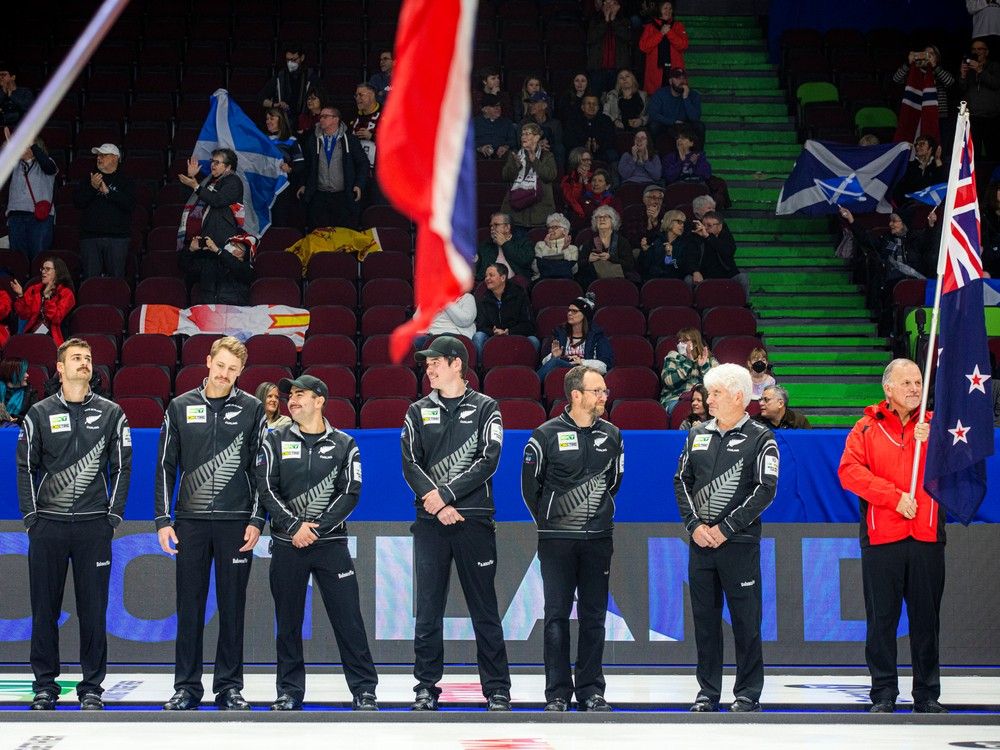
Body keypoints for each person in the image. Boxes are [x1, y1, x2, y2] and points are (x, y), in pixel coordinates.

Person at [16, 338, 131, 711]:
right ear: (60, 367)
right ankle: (45, 686)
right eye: (76, 358)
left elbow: (122, 467)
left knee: (93, 610)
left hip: (93, 527)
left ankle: (92, 687)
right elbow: (25, 468)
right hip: (47, 526)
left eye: (88, 358)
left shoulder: (113, 413)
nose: (84, 363)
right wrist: (32, 517)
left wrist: (112, 516)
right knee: (44, 609)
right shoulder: (38, 413)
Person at [400, 336, 512, 711]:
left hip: (474, 519)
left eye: (434, 362)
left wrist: (445, 495)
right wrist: (438, 504)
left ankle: (497, 688)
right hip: (431, 522)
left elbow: (489, 458)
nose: (428, 369)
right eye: (426, 364)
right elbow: (410, 464)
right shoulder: (416, 410)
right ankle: (426, 687)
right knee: (428, 607)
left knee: (484, 607)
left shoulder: (487, 408)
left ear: (456, 364)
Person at [154, 336, 267, 711]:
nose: (225, 374)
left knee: (233, 607)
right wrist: (162, 519)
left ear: (241, 372)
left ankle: (229, 686)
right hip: (190, 523)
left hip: (236, 523)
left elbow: (261, 470)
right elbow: (166, 467)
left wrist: (256, 518)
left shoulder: (252, 409)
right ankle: (186, 686)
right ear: (207, 362)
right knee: (189, 606)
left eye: (233, 369)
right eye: (220, 366)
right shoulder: (179, 406)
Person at [257, 375, 379, 711]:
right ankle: (289, 692)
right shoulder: (274, 439)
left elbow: (350, 492)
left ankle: (364, 690)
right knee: (288, 623)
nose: (292, 401)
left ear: (320, 399)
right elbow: (266, 489)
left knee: (349, 620)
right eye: (290, 396)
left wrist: (317, 529)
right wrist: (295, 526)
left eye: (300, 395)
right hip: (287, 543)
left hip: (331, 545)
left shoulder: (344, 443)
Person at [838, 358, 947, 714]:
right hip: (882, 537)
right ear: (888, 388)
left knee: (926, 621)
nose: (915, 389)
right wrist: (894, 498)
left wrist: (933, 444)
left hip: (927, 535)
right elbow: (849, 473)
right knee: (881, 620)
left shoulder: (935, 426)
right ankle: (883, 693)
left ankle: (927, 695)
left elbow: (958, 466)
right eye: (907, 383)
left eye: (918, 382)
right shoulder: (866, 428)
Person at [674, 363, 779, 713]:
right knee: (704, 622)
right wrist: (694, 526)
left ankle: (748, 692)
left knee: (746, 621)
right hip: (701, 544)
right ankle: (708, 692)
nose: (707, 399)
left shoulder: (761, 437)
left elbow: (765, 490)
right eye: (708, 392)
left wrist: (725, 529)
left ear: (738, 396)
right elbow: (681, 481)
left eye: (716, 393)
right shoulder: (696, 433)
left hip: (739, 545)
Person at [521, 364, 624, 712]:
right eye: (598, 391)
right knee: (556, 616)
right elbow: (529, 489)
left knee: (595, 616)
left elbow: (614, 483)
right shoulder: (544, 435)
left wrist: (591, 515)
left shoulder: (612, 434)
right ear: (576, 395)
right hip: (557, 541)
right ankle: (558, 693)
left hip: (598, 538)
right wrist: (553, 522)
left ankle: (592, 689)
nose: (604, 396)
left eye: (605, 391)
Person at [298, 107, 369, 231]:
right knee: (320, 235)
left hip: (343, 196)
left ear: (336, 119)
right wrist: (304, 184)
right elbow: (306, 165)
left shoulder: (350, 140)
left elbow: (363, 164)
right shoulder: (313, 140)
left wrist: (358, 184)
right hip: (319, 196)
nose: (321, 119)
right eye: (321, 117)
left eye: (325, 116)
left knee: (343, 235)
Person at [73, 143, 135, 279]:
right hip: (90, 237)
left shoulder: (126, 180)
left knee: (116, 280)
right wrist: (92, 187)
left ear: (115, 158)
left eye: (103, 155)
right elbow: (78, 202)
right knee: (90, 280)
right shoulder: (89, 179)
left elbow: (130, 205)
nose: (99, 158)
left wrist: (108, 192)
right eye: (98, 155)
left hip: (117, 238)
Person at [4, 127, 57, 261]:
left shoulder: (48, 162)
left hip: (39, 218)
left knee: (38, 258)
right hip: (16, 216)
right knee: (17, 259)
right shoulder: (15, 164)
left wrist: (33, 145)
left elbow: (49, 168)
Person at [178, 148, 246, 250]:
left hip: (217, 241)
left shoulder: (234, 181)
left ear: (228, 167)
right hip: (195, 239)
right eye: (212, 161)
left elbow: (217, 200)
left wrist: (196, 186)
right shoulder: (208, 181)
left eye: (217, 162)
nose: (212, 165)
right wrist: (191, 177)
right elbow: (187, 199)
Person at [537, 293, 614, 381]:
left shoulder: (597, 336)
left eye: (574, 311)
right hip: (561, 374)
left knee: (556, 362)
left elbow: (605, 366)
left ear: (585, 315)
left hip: (585, 375)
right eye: (569, 310)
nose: (569, 313)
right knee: (555, 361)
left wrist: (582, 362)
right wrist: (553, 356)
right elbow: (544, 364)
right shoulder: (559, 333)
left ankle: (531, 383)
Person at [500, 122, 558, 233]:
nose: (523, 137)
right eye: (522, 134)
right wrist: (515, 165)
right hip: (516, 213)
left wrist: (534, 161)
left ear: (536, 137)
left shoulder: (547, 156)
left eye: (527, 133)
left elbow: (550, 176)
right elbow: (506, 176)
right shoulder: (515, 155)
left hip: (539, 212)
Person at [473, 262, 538, 359]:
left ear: (503, 278)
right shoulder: (484, 298)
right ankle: (481, 370)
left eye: (491, 275)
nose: (487, 279)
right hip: (492, 336)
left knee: (534, 341)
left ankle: (531, 372)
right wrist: (493, 331)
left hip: (515, 334)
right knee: (478, 337)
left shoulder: (519, 294)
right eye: (486, 276)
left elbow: (528, 325)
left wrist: (508, 331)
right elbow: (481, 326)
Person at [11, 257, 75, 346]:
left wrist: (47, 298)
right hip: (33, 333)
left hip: (54, 335)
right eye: (42, 269)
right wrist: (21, 295)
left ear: (57, 272)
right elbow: (24, 314)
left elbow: (57, 318)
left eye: (47, 269)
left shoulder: (66, 293)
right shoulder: (34, 289)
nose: (43, 272)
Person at [180, 233, 254, 306]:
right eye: (230, 243)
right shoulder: (210, 263)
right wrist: (190, 249)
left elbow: (236, 266)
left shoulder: (246, 269)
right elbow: (185, 266)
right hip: (207, 311)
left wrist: (218, 251)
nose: (230, 246)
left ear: (243, 253)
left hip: (233, 313)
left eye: (235, 245)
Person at [689, 211, 750, 298]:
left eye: (709, 225)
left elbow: (728, 252)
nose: (705, 228)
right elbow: (690, 257)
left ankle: (745, 306)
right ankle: (692, 308)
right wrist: (695, 271)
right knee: (688, 279)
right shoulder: (697, 237)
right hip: (704, 276)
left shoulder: (726, 237)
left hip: (727, 276)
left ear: (720, 226)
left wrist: (708, 237)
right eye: (703, 224)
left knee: (743, 278)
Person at [660, 327, 717, 414]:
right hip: (676, 399)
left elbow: (716, 383)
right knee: (685, 410)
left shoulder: (708, 359)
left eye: (684, 341)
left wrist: (703, 366)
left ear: (694, 343)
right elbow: (669, 381)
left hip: (703, 399)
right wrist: (688, 363)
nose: (680, 344)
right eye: (679, 341)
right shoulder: (673, 357)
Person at [959, 38, 1000, 160]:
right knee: (973, 154)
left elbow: (996, 83)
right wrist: (962, 75)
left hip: (992, 117)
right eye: (973, 49)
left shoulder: (994, 66)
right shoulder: (968, 68)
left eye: (979, 49)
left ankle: (995, 178)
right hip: (973, 117)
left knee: (993, 152)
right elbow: (961, 89)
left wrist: (980, 70)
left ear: (986, 52)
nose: (976, 52)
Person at [264, 107, 305, 226]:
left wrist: (290, 169)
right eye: (267, 119)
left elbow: (301, 165)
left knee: (280, 220)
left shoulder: (291, 141)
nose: (268, 121)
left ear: (281, 120)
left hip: (283, 189)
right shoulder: (262, 140)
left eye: (272, 118)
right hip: (264, 188)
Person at [639, 2, 689, 95]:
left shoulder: (678, 25)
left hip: (674, 70)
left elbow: (683, 45)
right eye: (665, 8)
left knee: (675, 100)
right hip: (655, 71)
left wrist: (669, 32)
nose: (668, 11)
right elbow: (644, 47)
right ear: (659, 10)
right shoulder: (650, 27)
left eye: (670, 8)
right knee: (656, 100)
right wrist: (660, 33)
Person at [576, 205, 634, 287]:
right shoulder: (589, 243)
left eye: (606, 216)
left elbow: (630, 265)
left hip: (619, 282)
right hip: (595, 282)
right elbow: (578, 266)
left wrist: (610, 258)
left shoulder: (622, 241)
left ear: (613, 221)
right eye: (598, 217)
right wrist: (588, 260)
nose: (601, 219)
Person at [260, 45, 322, 121]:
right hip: (284, 120)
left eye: (294, 60)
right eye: (288, 60)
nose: (290, 63)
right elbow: (261, 98)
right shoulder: (280, 76)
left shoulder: (311, 77)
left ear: (302, 58)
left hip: (306, 120)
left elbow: (322, 100)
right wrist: (275, 105)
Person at [586, 0, 632, 96]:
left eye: (613, 3)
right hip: (597, 69)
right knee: (595, 98)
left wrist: (614, 20)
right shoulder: (594, 20)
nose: (609, 6)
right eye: (606, 3)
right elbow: (591, 38)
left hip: (618, 69)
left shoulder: (624, 21)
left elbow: (627, 37)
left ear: (618, 7)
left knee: (616, 99)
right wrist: (606, 21)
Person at [637, 208, 694, 281]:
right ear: (669, 221)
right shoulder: (656, 239)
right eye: (679, 222)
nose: (682, 225)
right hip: (653, 280)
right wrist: (645, 251)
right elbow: (644, 266)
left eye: (683, 223)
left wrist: (669, 256)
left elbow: (679, 269)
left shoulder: (685, 244)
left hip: (675, 281)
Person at [475, 212, 534, 282]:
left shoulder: (523, 242)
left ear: (507, 227)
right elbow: (479, 269)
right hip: (490, 283)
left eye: (496, 225)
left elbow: (525, 260)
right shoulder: (486, 245)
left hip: (515, 284)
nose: (492, 228)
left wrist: (505, 244)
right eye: (491, 226)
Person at [648, 67, 702, 140]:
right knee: (654, 126)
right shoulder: (660, 94)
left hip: (685, 125)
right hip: (667, 124)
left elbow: (695, 118)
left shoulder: (694, 95)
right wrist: (673, 122)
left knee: (699, 126)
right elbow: (653, 114)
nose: (682, 81)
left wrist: (686, 98)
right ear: (670, 81)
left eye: (684, 78)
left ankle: (698, 151)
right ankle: (657, 150)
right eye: (678, 78)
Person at [892, 134, 945, 208]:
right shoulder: (909, 165)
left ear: (931, 148)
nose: (917, 147)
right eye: (916, 144)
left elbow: (942, 185)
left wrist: (937, 160)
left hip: (932, 207)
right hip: (910, 205)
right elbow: (902, 189)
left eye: (922, 144)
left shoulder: (937, 165)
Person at [564, 94, 617, 165]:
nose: (591, 106)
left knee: (612, 154)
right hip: (580, 151)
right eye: (588, 104)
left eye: (594, 104)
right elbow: (568, 140)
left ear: (598, 108)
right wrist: (583, 146)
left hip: (601, 151)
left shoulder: (606, 120)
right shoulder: (574, 120)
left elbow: (611, 138)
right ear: (582, 107)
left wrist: (599, 145)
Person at [533, 212, 579, 280]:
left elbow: (574, 270)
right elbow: (536, 269)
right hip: (543, 280)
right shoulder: (540, 245)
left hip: (565, 281)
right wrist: (548, 247)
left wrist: (565, 249)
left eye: (555, 227)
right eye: (549, 227)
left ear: (565, 230)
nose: (551, 230)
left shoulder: (572, 248)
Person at [474, 94, 517, 160]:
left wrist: (505, 147)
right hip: (479, 155)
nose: (498, 108)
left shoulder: (507, 123)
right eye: (493, 106)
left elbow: (513, 141)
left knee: (512, 156)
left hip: (502, 154)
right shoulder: (474, 123)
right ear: (484, 109)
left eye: (499, 105)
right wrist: (480, 148)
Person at [350, 83, 381, 171]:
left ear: (372, 95)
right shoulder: (352, 115)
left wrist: (371, 136)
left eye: (361, 95)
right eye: (356, 95)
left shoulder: (387, 114)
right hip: (358, 171)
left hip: (379, 173)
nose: (357, 98)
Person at [560, 148, 594, 220]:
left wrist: (586, 183)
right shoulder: (567, 180)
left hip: (593, 215)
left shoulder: (595, 177)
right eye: (585, 160)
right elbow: (572, 200)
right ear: (576, 162)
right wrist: (579, 183)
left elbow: (596, 197)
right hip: (574, 217)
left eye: (589, 160)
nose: (589, 163)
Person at [0, 357, 33, 423]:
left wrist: (16, 419)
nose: (27, 375)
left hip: (19, 430)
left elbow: (34, 418)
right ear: (13, 374)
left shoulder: (30, 393)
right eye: (23, 372)